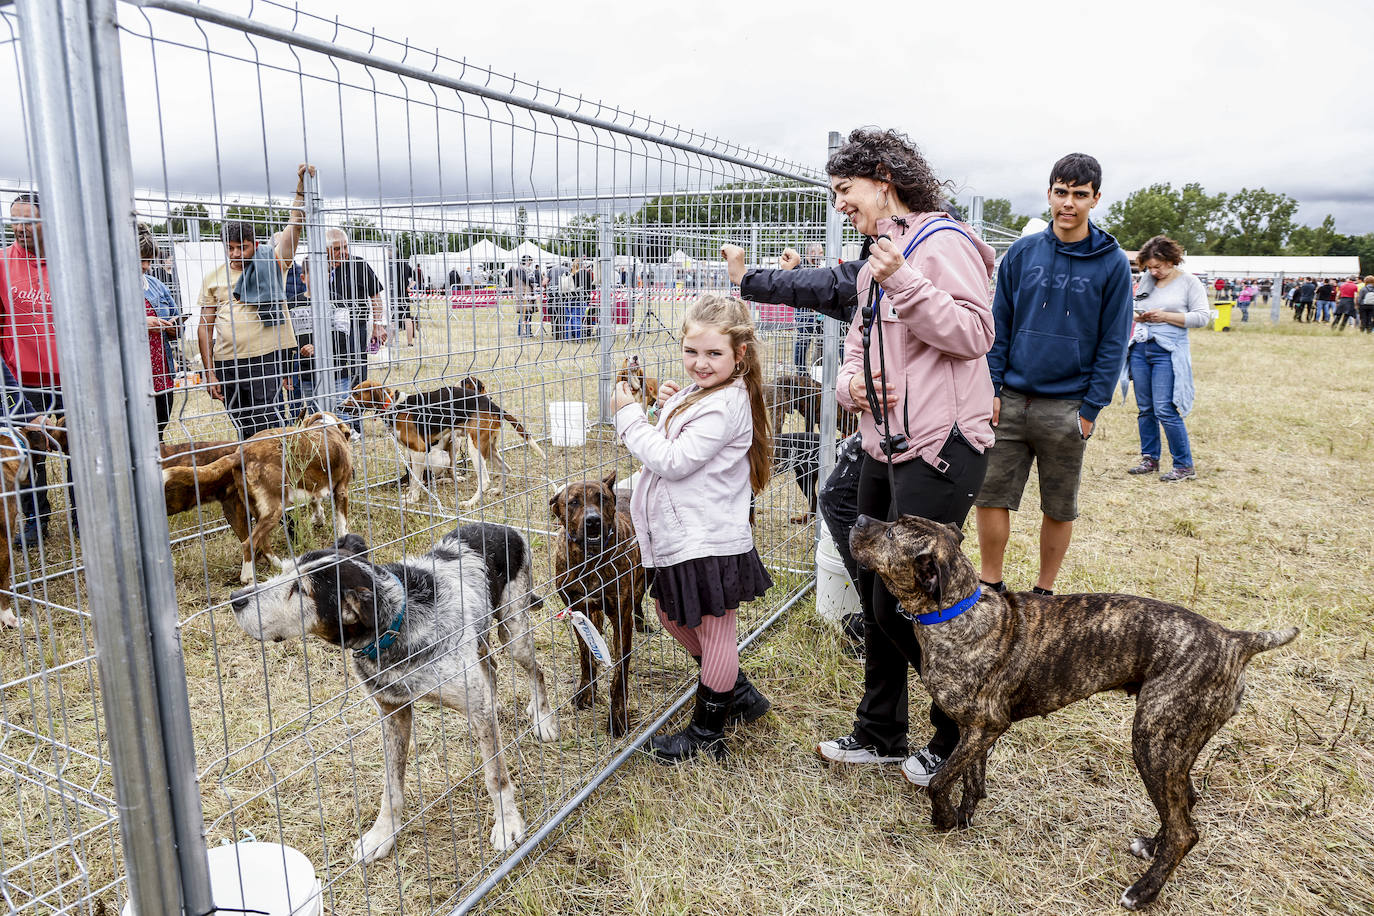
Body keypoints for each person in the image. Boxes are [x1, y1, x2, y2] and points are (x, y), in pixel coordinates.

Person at [807, 128, 996, 790]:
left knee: (914, 606)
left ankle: (962, 733)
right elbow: (857, 345)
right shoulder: (877, 256)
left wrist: (908, 283)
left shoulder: (942, 246)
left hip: (940, 450)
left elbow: (974, 335)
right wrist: (851, 387)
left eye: (844, 191)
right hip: (883, 445)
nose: (840, 206)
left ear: (882, 179)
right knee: (877, 591)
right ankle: (881, 732)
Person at [612, 294, 774, 763]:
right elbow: (677, 436)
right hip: (684, 535)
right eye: (691, 352)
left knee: (716, 631)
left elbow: (674, 460)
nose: (699, 363)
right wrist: (669, 405)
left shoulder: (725, 404)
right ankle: (734, 692)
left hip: (708, 538)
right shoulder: (707, 392)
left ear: (739, 354)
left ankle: (707, 733)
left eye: (713, 354)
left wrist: (629, 416)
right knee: (670, 612)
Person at [974, 152, 1133, 598]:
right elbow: (998, 324)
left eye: (1080, 195)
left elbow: (1113, 339)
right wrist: (992, 385)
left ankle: (1044, 592)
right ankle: (991, 584)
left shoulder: (1113, 262)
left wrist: (1091, 407)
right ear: (1049, 194)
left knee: (1059, 506)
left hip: (1068, 405)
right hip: (1010, 398)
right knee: (991, 496)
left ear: (1095, 199)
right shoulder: (1022, 254)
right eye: (1061, 192)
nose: (1069, 203)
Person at [198, 163, 312, 439]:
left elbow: (293, 229)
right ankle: (254, 478)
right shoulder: (213, 277)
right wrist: (209, 373)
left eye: (243, 247)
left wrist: (300, 192)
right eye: (231, 248)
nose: (236, 253)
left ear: (255, 243)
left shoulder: (272, 262)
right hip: (228, 363)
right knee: (243, 426)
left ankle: (279, 477)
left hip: (265, 359)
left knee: (269, 426)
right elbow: (205, 326)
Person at [0, 191, 71, 544]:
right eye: (14, 220)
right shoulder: (2, 264)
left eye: (28, 221)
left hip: (73, 377)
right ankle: (35, 520)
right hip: (22, 380)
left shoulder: (70, 261)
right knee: (28, 453)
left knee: (80, 448)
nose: (19, 228)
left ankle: (83, 516)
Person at [1125, 236, 1209, 482]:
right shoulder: (1146, 281)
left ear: (1172, 260)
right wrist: (1138, 316)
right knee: (1145, 409)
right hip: (1141, 347)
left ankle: (1184, 464)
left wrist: (1166, 316)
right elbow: (1134, 305)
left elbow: (1202, 317)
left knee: (1165, 408)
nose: (1153, 271)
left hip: (1168, 351)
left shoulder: (1189, 282)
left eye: (1158, 266)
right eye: (1149, 267)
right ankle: (1149, 458)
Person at [325, 227, 387, 403]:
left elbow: (375, 296)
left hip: (355, 329)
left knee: (356, 374)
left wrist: (378, 324)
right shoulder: (316, 268)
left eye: (345, 247)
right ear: (325, 250)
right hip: (327, 331)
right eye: (337, 249)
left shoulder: (359, 265)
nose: (343, 252)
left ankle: (355, 420)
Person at [139, 225, 181, 439]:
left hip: (161, 371)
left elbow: (176, 316)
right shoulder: (110, 287)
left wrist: (174, 327)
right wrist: (139, 322)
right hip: (133, 376)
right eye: (140, 260)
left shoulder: (156, 285)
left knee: (159, 429)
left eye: (149, 259)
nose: (146, 266)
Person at [790, 243, 825, 372]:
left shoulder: (820, 266)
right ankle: (801, 371)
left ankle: (820, 369)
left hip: (819, 313)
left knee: (824, 341)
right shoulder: (802, 268)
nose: (822, 255)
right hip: (804, 311)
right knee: (803, 341)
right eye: (820, 252)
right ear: (811, 253)